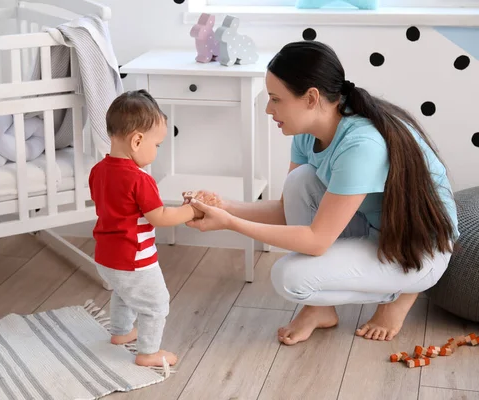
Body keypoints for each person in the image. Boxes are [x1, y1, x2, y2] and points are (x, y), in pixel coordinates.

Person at [183, 41, 459, 345]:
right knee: (300, 180)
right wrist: (224, 206)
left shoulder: (361, 145)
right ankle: (321, 310)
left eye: (276, 99)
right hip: (374, 225)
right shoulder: (308, 133)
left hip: (416, 249)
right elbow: (284, 211)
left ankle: (402, 293)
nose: (268, 109)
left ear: (311, 98)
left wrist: (230, 223)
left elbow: (316, 241)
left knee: (288, 277)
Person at [89, 89, 202, 366]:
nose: (157, 150)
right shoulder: (139, 179)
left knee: (124, 293)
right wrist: (193, 209)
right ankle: (149, 353)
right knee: (154, 304)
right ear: (137, 141)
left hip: (105, 256)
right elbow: (160, 217)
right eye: (157, 144)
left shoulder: (98, 171)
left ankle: (121, 332)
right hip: (134, 258)